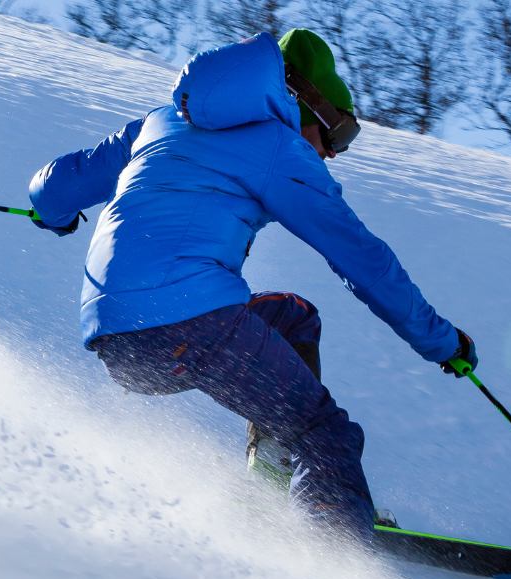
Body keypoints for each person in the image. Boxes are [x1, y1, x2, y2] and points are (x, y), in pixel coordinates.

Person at [27, 29, 476, 540]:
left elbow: (56, 185)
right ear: (310, 105)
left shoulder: (160, 121)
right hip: (191, 322)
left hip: (116, 340)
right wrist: (441, 341)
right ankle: (333, 548)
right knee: (324, 433)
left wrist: (54, 214)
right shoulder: (278, 148)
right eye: (339, 135)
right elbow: (362, 260)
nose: (333, 153)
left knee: (293, 316)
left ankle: (271, 484)